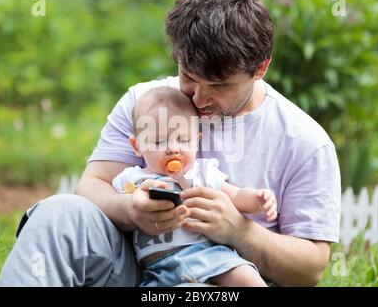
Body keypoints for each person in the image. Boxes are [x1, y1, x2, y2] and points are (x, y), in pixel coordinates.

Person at [0, 0, 340, 287]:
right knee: (59, 212)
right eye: (189, 76)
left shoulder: (305, 141)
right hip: (136, 268)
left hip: (225, 276)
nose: (198, 98)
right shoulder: (144, 102)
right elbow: (91, 186)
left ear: (260, 68)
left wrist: (239, 231)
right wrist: (129, 209)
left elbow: (310, 268)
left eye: (218, 85)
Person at [113, 86, 277, 286]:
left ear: (196, 141)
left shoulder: (202, 172)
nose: (172, 148)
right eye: (158, 141)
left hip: (209, 254)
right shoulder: (131, 178)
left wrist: (258, 199)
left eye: (183, 139)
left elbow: (235, 196)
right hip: (157, 269)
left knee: (246, 277)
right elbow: (114, 207)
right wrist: (129, 203)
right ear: (137, 145)